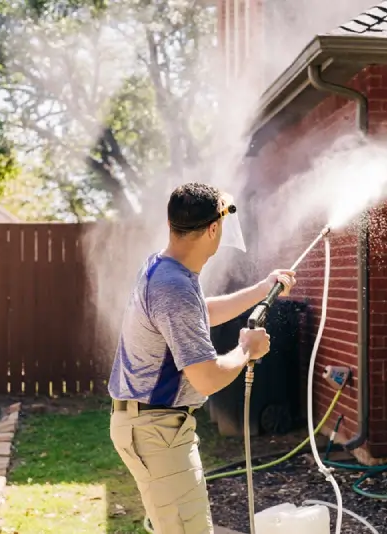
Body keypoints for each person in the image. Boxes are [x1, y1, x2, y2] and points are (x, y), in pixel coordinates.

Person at [108, 182, 296, 534]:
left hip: (154, 427)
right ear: (213, 229)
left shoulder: (165, 268)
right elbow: (206, 378)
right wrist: (246, 350)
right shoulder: (174, 286)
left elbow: (195, 314)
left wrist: (260, 290)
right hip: (155, 431)